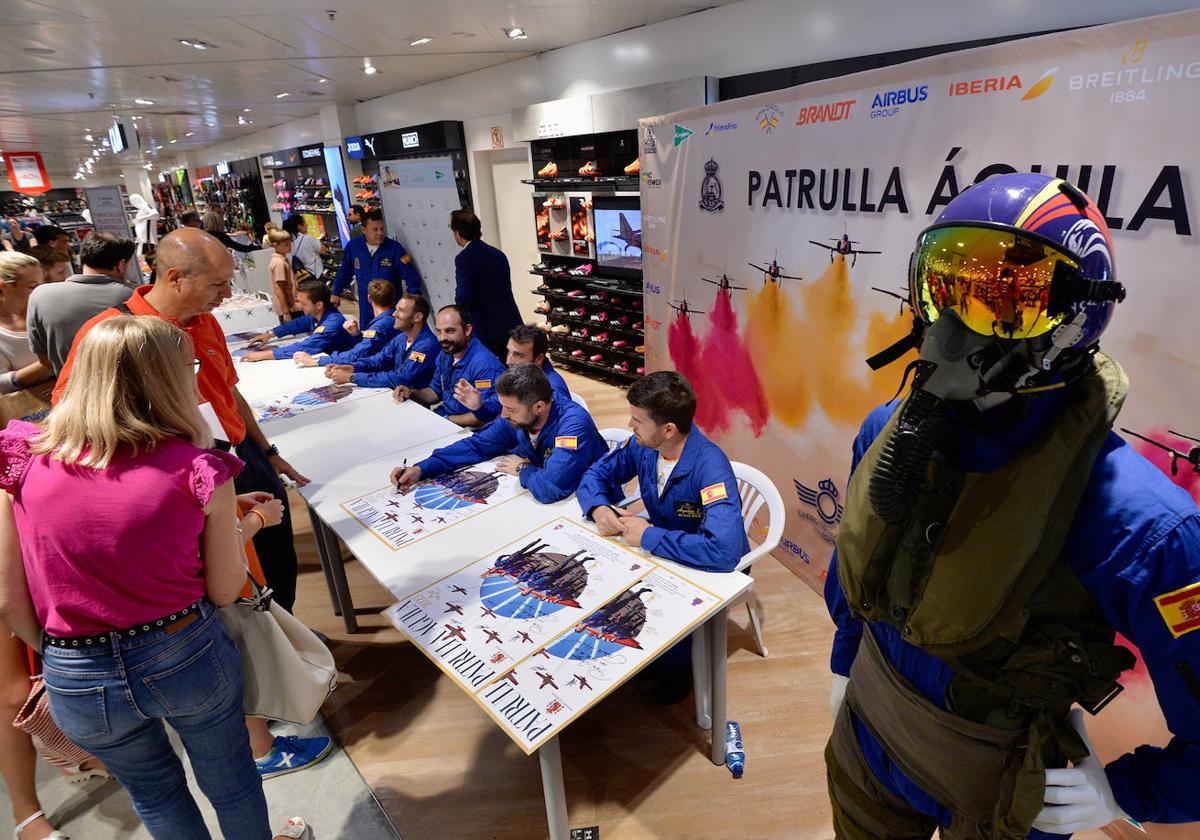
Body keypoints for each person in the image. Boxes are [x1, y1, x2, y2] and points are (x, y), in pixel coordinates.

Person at [823, 173, 1200, 838]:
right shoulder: (888, 434)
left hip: (1005, 785)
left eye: (1004, 302)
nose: (952, 329)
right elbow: (860, 568)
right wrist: (844, 664)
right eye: (946, 288)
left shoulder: (1138, 525)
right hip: (871, 729)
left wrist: (1128, 793)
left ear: (1076, 316)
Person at [0, 316, 309, 840]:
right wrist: (253, 521)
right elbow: (220, 586)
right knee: (231, 782)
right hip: (181, 649)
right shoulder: (198, 467)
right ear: (165, 379)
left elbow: (10, 599)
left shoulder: (25, 457)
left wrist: (62, 653)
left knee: (155, 795)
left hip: (77, 670)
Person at [52, 228, 310, 611]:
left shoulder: (206, 321)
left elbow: (229, 391)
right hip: (184, 477)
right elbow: (75, 421)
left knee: (277, 560)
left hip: (241, 458)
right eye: (217, 284)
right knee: (224, 582)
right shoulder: (110, 336)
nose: (226, 294)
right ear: (175, 277)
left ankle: (289, 642)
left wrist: (267, 451)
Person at [576, 371, 749, 571]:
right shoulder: (642, 446)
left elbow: (723, 551)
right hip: (665, 556)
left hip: (706, 569)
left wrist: (648, 536)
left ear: (668, 430)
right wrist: (598, 508)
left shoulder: (711, 468)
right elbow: (595, 475)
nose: (630, 425)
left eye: (637, 421)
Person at [392, 363, 606, 504]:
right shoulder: (516, 418)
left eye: (511, 409)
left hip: (585, 502)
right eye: (503, 406)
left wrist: (523, 468)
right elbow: (476, 445)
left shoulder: (573, 426)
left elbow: (550, 488)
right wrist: (422, 468)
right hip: (541, 498)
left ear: (539, 407)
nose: (503, 415)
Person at [27, 232, 136, 376]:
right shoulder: (135, 296)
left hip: (69, 393)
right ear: (121, 265)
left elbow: (44, 359)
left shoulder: (39, 295)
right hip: (127, 392)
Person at [392, 304, 505, 427]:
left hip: (470, 430)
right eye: (439, 331)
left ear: (467, 330)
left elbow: (485, 416)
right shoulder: (446, 353)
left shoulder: (485, 366)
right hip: (446, 417)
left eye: (449, 331)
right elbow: (434, 392)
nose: (442, 338)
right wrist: (411, 392)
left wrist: (445, 420)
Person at [315, 292, 438, 390]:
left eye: (401, 310)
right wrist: (350, 367)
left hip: (416, 405)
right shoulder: (401, 338)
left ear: (417, 317)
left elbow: (402, 378)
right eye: (395, 309)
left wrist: (352, 377)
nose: (394, 314)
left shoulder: (427, 345)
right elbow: (378, 360)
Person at [453, 323, 571, 424]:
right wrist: (479, 406)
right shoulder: (520, 376)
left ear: (538, 359)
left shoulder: (553, 388)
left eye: (518, 355)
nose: (508, 361)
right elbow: (496, 407)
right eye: (509, 352)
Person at [451, 209, 522, 362]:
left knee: (486, 369)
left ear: (457, 233)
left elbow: (464, 295)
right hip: (509, 319)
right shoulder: (498, 254)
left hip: (484, 325)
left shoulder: (464, 258)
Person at [331, 208, 421, 326]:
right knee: (368, 336)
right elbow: (344, 272)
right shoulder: (354, 247)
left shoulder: (394, 249)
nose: (380, 233)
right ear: (364, 229)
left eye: (382, 229)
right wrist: (336, 292)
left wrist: (411, 302)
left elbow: (411, 277)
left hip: (391, 310)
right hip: (366, 307)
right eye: (375, 229)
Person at [241, 278, 355, 363]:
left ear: (319, 305)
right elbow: (297, 324)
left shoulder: (333, 322)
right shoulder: (317, 314)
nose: (299, 306)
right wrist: (270, 334)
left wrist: (261, 355)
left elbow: (306, 347)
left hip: (342, 364)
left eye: (303, 303)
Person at [293, 279, 397, 369]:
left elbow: (358, 354)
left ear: (369, 298)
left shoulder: (379, 326)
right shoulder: (390, 320)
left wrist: (316, 361)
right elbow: (373, 346)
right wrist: (357, 335)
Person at [0, 254, 51, 396]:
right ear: (4, 287)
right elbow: (2, 385)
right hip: (31, 409)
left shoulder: (45, 310)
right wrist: (47, 362)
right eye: (33, 287)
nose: (41, 292)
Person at [265, 229, 297, 321]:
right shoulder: (279, 263)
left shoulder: (282, 260)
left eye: (289, 243)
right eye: (286, 245)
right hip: (289, 308)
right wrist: (286, 312)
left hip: (290, 306)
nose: (289, 246)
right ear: (275, 245)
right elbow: (279, 289)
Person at [281, 215, 325, 280]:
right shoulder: (308, 239)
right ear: (299, 226)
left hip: (300, 278)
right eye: (305, 222)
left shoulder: (288, 242)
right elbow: (323, 250)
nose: (307, 224)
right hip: (315, 276)